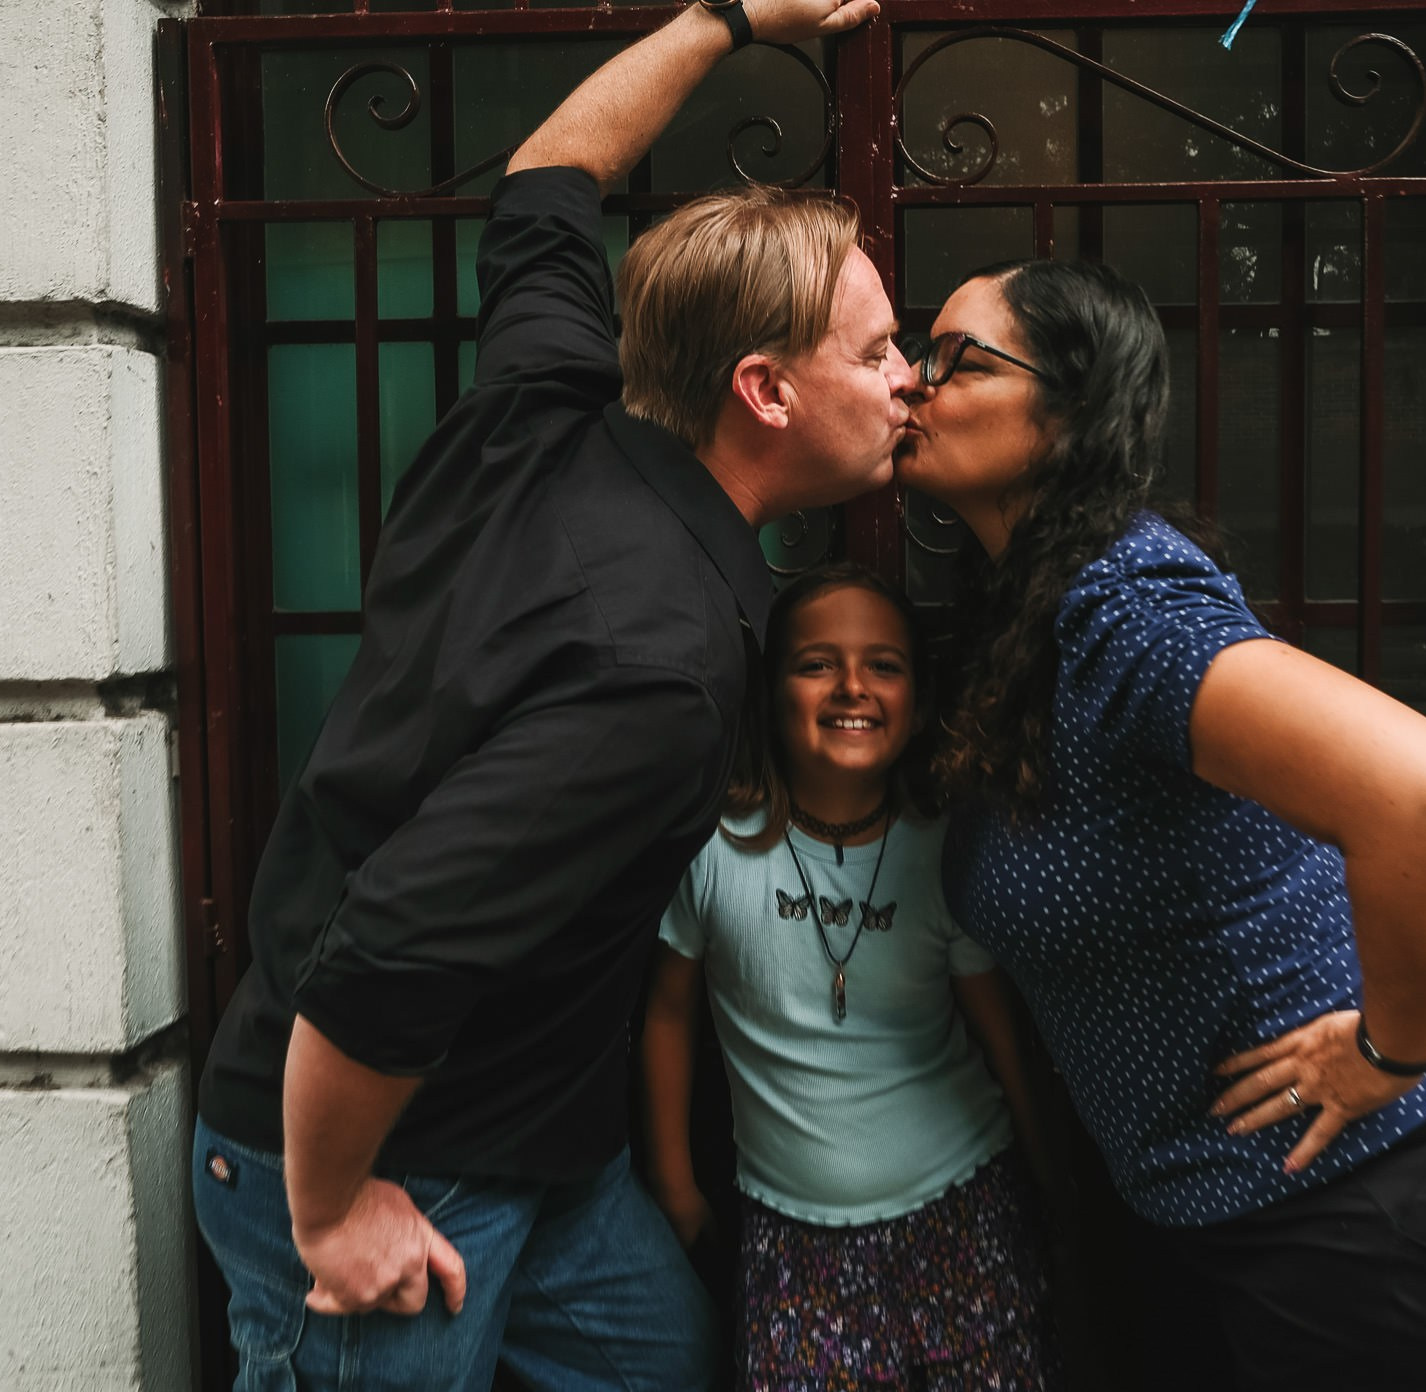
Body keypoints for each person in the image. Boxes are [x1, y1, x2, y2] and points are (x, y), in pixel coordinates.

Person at [190, 3, 905, 1388]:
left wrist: (731, 16)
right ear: (761, 391)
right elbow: (390, 948)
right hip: (384, 1165)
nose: (907, 379)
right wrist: (331, 1212)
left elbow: (549, 173)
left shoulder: (548, 395)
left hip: (546, 1158)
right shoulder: (660, 670)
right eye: (874, 354)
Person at [893, 258, 1426, 1390]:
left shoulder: (1127, 612)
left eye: (956, 361)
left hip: (1371, 1210)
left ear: (1067, 407)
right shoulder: (1030, 612)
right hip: (1211, 1220)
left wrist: (1386, 1050)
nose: (913, 385)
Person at [641, 564, 1063, 1392]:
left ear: (916, 699)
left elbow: (999, 1033)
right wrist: (675, 1182)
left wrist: (1054, 1179)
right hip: (791, 1235)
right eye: (816, 663)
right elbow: (666, 1013)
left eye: (884, 665)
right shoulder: (715, 847)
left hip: (964, 1207)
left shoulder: (944, 846)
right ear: (771, 692)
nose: (852, 687)